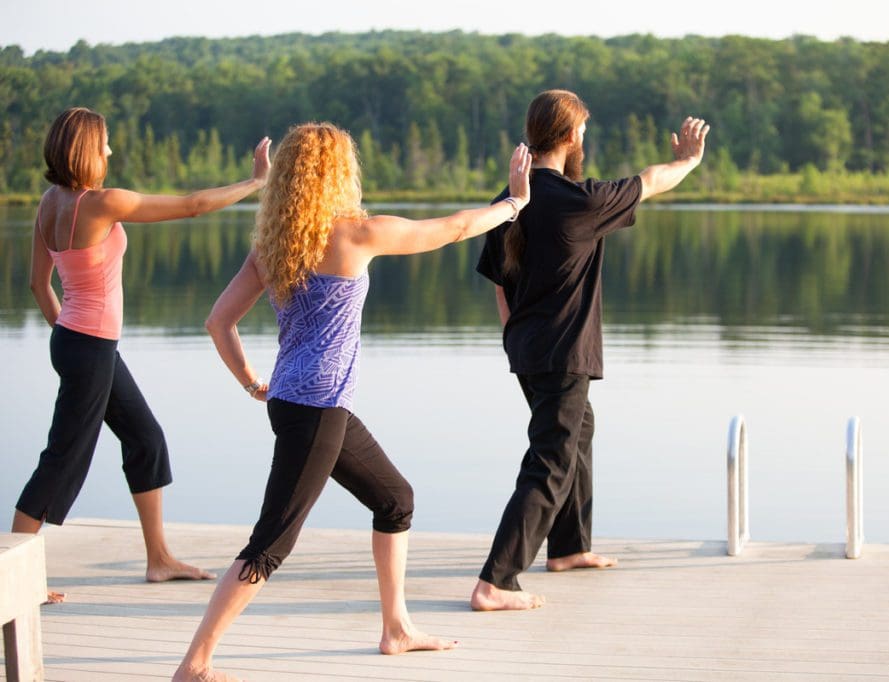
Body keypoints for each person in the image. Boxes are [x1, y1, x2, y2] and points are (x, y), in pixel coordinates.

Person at [173, 122, 531, 681]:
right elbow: (456, 227)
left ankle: (396, 629)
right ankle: (195, 664)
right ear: (340, 174)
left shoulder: (272, 246)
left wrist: (251, 382)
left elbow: (219, 322)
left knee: (395, 500)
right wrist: (513, 204)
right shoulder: (356, 235)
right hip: (317, 413)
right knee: (269, 544)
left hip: (299, 404)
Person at [17, 106, 271, 602]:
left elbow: (37, 284)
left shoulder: (49, 202)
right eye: (106, 142)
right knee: (62, 458)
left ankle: (159, 559)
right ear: (86, 149)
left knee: (146, 439)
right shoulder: (102, 203)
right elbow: (194, 204)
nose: (111, 150)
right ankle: (12, 578)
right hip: (89, 349)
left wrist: (68, 334)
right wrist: (255, 181)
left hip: (80, 344)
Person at [471, 89, 710, 611]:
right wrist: (687, 161)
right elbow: (650, 181)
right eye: (584, 129)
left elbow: (497, 284)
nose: (586, 137)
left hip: (528, 350)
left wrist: (516, 343)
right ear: (571, 134)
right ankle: (497, 580)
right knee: (550, 461)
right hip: (561, 354)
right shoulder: (579, 202)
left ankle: (568, 547)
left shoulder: (508, 198)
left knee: (577, 432)